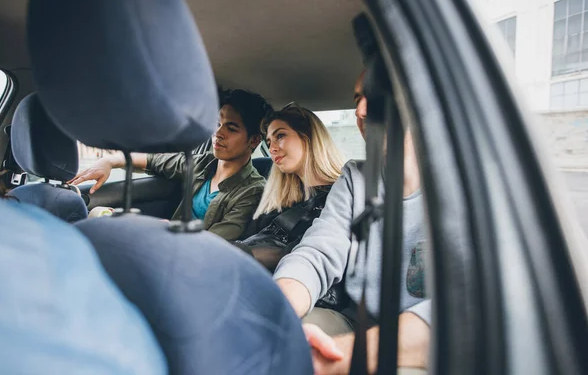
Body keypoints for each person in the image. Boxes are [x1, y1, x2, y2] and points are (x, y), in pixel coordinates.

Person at [273, 72, 439, 373]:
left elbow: (464, 309)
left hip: (420, 337)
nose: (360, 111)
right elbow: (318, 252)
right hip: (353, 320)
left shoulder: (464, 188)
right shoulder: (354, 178)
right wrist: (273, 313)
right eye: (357, 100)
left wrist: (340, 357)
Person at [70, 89, 273, 241]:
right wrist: (110, 161)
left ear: (254, 141)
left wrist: (163, 230)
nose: (218, 133)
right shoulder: (203, 163)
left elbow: (214, 243)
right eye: (218, 124)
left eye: (232, 128)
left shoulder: (253, 191)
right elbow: (154, 160)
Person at [235, 103, 345, 274]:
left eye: (280, 135)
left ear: (308, 137)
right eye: (269, 141)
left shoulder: (341, 198)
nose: (272, 148)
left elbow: (312, 254)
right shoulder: (277, 200)